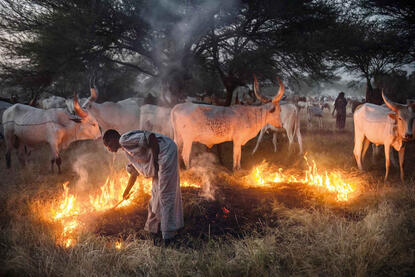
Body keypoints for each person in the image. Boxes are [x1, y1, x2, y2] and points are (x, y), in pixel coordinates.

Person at [103, 129, 184, 246]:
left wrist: (155, 161)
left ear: (112, 140)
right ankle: (153, 232)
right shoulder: (127, 150)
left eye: (108, 145)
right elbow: (134, 173)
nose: (109, 149)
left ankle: (169, 237)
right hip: (161, 157)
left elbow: (150, 137)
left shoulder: (124, 139)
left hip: (165, 152)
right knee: (156, 195)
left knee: (165, 195)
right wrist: (126, 192)